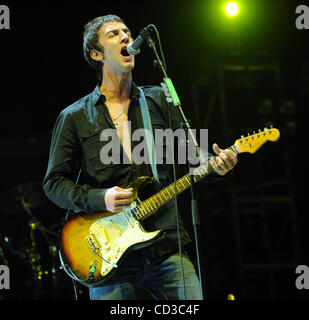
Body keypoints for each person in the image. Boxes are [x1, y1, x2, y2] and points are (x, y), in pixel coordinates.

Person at [42, 14, 238, 300]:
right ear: (97, 54)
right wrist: (101, 198)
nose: (126, 38)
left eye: (128, 32)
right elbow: (53, 183)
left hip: (166, 245)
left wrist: (217, 163)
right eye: (114, 34)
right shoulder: (74, 117)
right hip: (109, 255)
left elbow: (193, 155)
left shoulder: (159, 99)